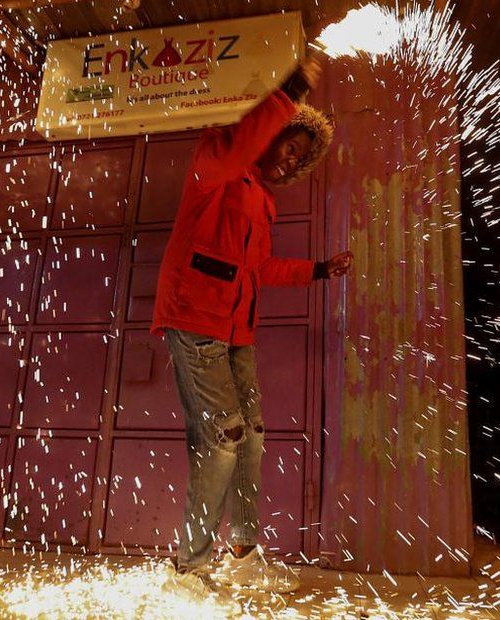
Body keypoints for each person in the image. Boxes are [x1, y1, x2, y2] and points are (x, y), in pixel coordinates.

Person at [150, 55, 353, 601]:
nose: (290, 166)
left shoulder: (261, 201)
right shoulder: (216, 161)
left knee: (252, 438)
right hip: (194, 320)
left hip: (237, 331)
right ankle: (187, 568)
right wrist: (289, 91)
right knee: (223, 440)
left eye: (300, 162)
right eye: (290, 148)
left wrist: (316, 270)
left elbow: (258, 268)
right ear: (270, 132)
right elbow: (240, 144)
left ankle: (242, 552)